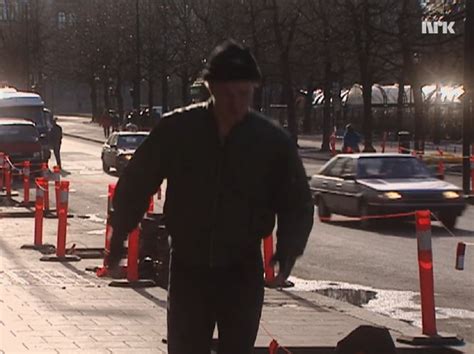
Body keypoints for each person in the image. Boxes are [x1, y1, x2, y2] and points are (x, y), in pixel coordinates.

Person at [108, 39, 314, 354]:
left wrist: (288, 249)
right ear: (211, 90)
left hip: (242, 268)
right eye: (228, 95)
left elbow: (296, 200)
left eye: (243, 94)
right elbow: (138, 181)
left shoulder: (269, 141)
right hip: (189, 267)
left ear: (253, 91)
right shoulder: (179, 130)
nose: (235, 104)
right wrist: (120, 233)